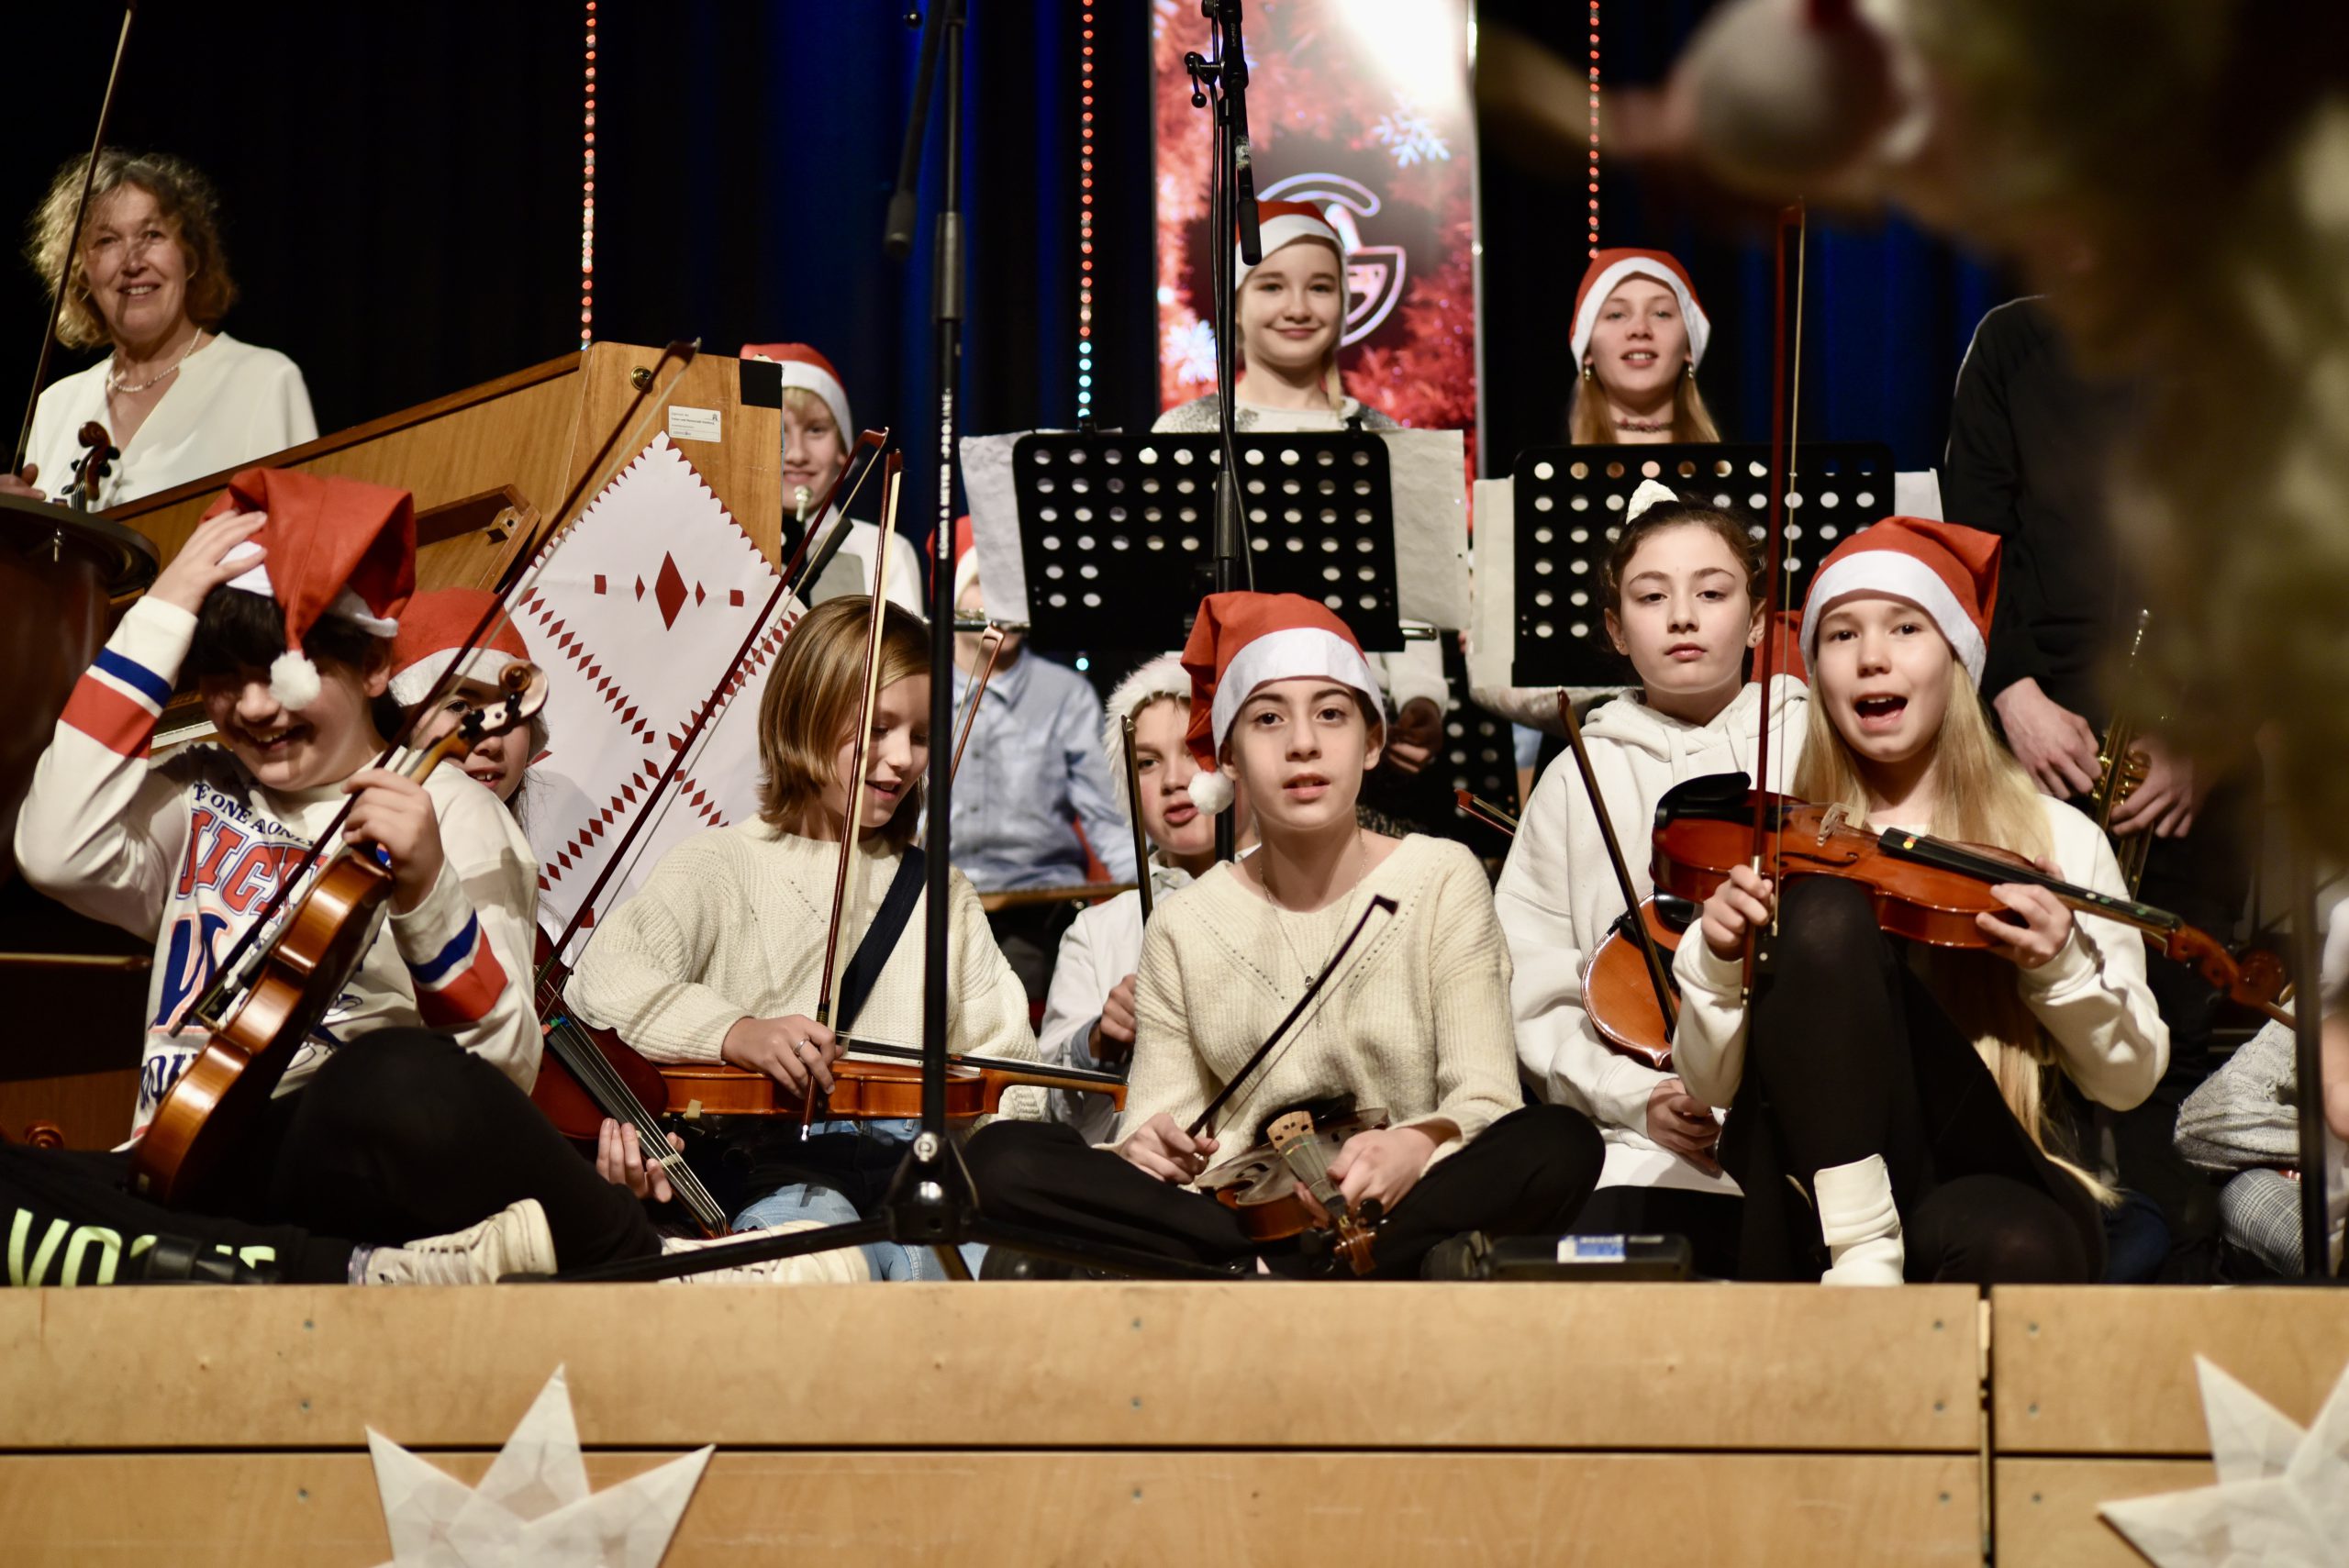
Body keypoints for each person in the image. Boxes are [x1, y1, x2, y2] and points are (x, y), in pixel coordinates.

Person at [8, 468, 852, 1286]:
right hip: (177, 1157)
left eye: (284, 669)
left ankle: (647, 1265)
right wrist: (162, 614)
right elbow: (52, 847)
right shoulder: (195, 788)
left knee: (390, 1078)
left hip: (336, 1162)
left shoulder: (454, 812)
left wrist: (428, 894)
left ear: (374, 666)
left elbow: (501, 1067)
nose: (254, 707)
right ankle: (340, 1276)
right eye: (223, 677)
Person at [965, 592, 1603, 1278]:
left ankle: (1293, 1273)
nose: (1303, 743)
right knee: (997, 1161)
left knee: (1560, 1140)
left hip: (1403, 1200)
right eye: (1268, 718)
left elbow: (1485, 1097)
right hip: (1241, 1216)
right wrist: (1147, 1148)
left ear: (1372, 742)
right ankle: (1304, 1271)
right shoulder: (1185, 922)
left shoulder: (1443, 876)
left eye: (1331, 714)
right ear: (1228, 758)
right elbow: (1163, 1119)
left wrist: (1418, 1142)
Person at [1673, 517, 2167, 1285]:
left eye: (1906, 627)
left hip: (1984, 1172)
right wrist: (1715, 959)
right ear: (1818, 671)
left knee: (2024, 1244)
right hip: (1813, 1195)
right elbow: (1709, 1086)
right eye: (1842, 634)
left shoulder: (2055, 839)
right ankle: (1860, 1245)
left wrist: (2061, 966)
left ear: (1957, 659)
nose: (1872, 656)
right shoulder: (1781, 842)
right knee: (1823, 912)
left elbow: (2129, 1081)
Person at [563, 595, 1045, 1280]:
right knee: (820, 1264)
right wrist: (735, 1032)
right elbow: (601, 986)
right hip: (783, 1169)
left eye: (920, 735)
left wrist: (996, 1165)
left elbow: (1012, 1066)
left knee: (989, 1281)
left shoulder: (944, 892)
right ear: (806, 714)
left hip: (920, 1172)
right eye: (877, 728)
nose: (902, 759)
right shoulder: (719, 864)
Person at [1493, 482, 1806, 1278]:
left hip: (1802, 1130)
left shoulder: (1810, 740)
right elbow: (1533, 984)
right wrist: (1633, 1097)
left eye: (1712, 592)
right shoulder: (1577, 776)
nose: (1683, 617)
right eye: (1651, 596)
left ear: (1759, 619)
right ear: (1615, 630)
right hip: (1637, 1138)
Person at [1152, 200, 1450, 790]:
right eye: (1271, 286)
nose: (1297, 307)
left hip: (1349, 723)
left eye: (1319, 287)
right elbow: (1167, 604)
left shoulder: (1381, 437)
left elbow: (1414, 601)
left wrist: (1423, 699)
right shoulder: (1187, 431)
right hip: (1225, 736)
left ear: (1344, 302)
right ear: (1235, 305)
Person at [6, 150, 315, 508]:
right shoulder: (55, 407)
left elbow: (300, 533)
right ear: (81, 271)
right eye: (107, 241)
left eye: (152, 235)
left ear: (189, 256)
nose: (132, 262)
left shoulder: (264, 381)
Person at [1035, 655, 1255, 1142]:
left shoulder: (1298, 896)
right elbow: (1049, 1112)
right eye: (1147, 763)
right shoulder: (1096, 932)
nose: (1173, 780)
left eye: (1194, 750)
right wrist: (1099, 1042)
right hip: (1137, 1170)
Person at [949, 554, 1138, 1002]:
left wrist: (1151, 893)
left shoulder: (1066, 693)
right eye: (985, 583)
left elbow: (1108, 817)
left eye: (1015, 586)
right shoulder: (918, 683)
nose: (1003, 600)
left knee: (1007, 1003)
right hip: (930, 905)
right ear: (954, 600)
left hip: (1035, 911)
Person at [738, 342, 922, 615]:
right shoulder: (724, 544)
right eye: (777, 430)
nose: (797, 454)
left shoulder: (884, 551)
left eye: (816, 430)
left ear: (843, 448)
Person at [1565, 248, 1722, 446]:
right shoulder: (1543, 467)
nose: (1640, 329)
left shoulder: (1743, 466)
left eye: (1661, 313)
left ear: (1689, 345)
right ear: (1587, 349)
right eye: (1616, 314)